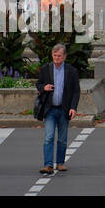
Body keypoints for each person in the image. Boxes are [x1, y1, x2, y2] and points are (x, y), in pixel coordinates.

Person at [36, 44, 80, 176]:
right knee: (49, 137)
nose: (56, 58)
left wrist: (73, 107)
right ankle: (48, 165)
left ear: (65, 56)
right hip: (49, 109)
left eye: (59, 56)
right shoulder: (46, 69)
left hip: (64, 109)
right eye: (54, 55)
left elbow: (76, 91)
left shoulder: (71, 71)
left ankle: (60, 163)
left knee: (62, 139)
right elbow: (38, 84)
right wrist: (44, 87)